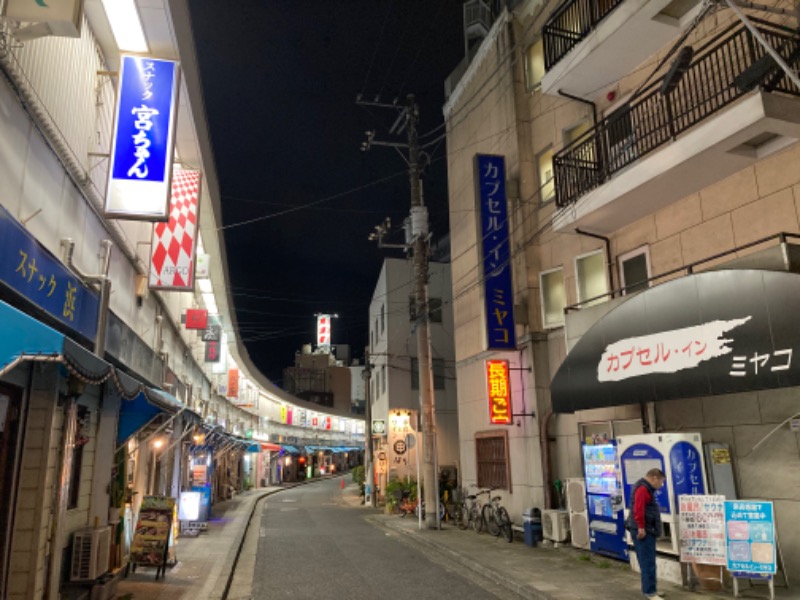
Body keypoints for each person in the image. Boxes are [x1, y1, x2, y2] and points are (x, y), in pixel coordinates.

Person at [626, 468, 666, 600]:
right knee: (647, 561)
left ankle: (651, 590)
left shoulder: (645, 488)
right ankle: (649, 592)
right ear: (654, 478)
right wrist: (641, 528)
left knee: (648, 561)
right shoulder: (643, 489)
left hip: (645, 528)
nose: (661, 485)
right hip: (643, 530)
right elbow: (639, 509)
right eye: (661, 481)